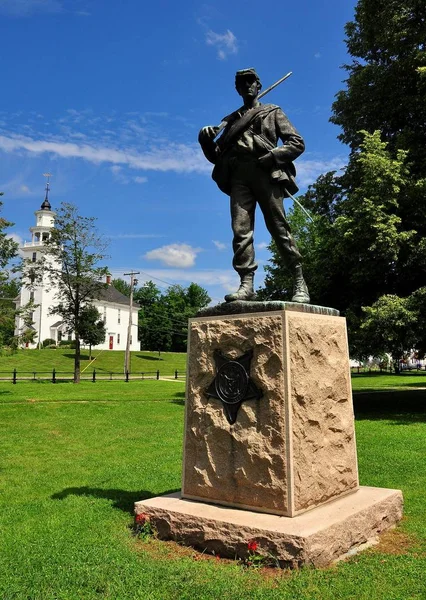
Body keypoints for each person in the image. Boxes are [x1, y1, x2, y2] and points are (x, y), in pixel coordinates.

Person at [198, 68, 310, 304]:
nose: (247, 86)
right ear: (237, 89)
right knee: (241, 232)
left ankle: (299, 280)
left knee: (279, 229)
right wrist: (205, 141)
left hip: (266, 174)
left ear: (258, 86)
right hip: (239, 177)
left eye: (251, 82)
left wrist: (273, 156)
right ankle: (246, 284)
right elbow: (217, 157)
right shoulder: (230, 121)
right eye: (242, 83)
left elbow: (296, 143)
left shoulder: (272, 112)